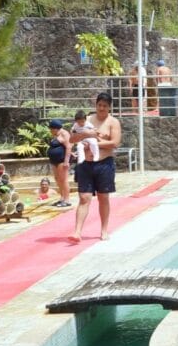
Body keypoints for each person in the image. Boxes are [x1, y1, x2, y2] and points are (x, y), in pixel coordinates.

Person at [69, 93, 122, 243]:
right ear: (96, 105)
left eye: (105, 106)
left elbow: (115, 143)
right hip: (85, 163)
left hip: (104, 163)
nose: (102, 108)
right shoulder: (87, 120)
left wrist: (94, 144)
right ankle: (77, 231)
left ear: (110, 107)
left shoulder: (113, 122)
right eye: (99, 105)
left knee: (103, 197)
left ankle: (104, 230)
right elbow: (72, 139)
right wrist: (85, 135)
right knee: (84, 197)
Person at [47, 119, 72, 208]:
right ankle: (62, 198)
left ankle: (67, 199)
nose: (50, 131)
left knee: (63, 179)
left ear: (55, 128)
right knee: (57, 179)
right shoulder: (55, 135)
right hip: (54, 161)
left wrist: (66, 161)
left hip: (62, 160)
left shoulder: (64, 134)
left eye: (51, 129)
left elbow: (68, 147)